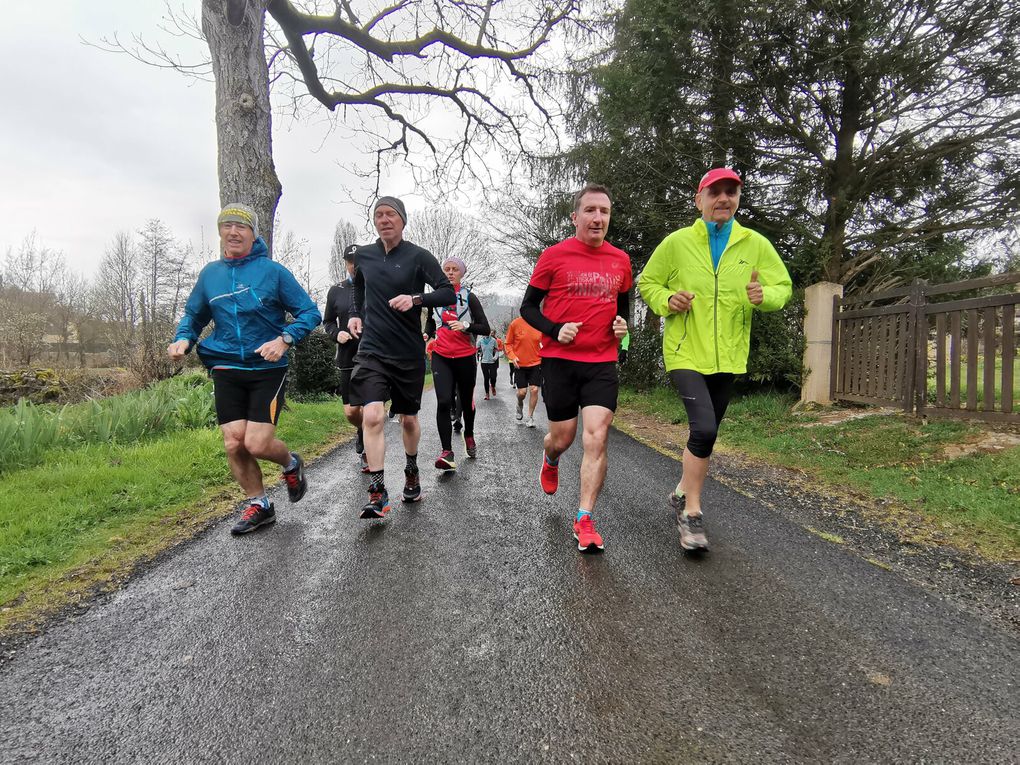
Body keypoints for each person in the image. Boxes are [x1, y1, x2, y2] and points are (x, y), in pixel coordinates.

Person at [637, 167, 792, 551]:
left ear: (738, 198)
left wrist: (765, 297)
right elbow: (647, 282)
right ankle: (690, 513)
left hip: (729, 355)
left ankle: (680, 489)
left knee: (707, 433)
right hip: (685, 351)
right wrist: (667, 300)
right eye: (715, 192)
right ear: (699, 199)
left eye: (731, 192)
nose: (723, 198)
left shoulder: (754, 244)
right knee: (704, 429)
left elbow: (782, 286)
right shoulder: (677, 243)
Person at [168, 203, 321, 535]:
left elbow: (310, 313)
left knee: (257, 443)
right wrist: (183, 339)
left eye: (241, 227)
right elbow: (194, 316)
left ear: (253, 234)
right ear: (220, 232)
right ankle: (259, 504)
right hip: (225, 366)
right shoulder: (211, 274)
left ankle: (290, 463)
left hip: (266, 368)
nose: (233, 232)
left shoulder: (273, 271)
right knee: (234, 443)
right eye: (227, 226)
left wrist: (285, 338)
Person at [521, 183, 631, 553]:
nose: (598, 218)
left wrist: (622, 326)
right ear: (575, 217)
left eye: (604, 211)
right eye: (590, 210)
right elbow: (528, 309)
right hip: (560, 361)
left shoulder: (621, 261)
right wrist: (554, 329)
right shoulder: (553, 256)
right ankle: (550, 456)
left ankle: (584, 518)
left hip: (601, 362)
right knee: (564, 437)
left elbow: (623, 310)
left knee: (596, 436)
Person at [347, 196, 455, 518]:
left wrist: (416, 299)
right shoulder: (364, 255)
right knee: (373, 416)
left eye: (390, 214)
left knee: (408, 418)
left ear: (402, 220)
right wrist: (355, 313)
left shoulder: (419, 256)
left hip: (407, 352)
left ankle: (411, 469)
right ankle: (378, 491)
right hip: (373, 350)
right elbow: (358, 288)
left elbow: (447, 291)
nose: (384, 220)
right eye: (378, 215)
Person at [425, 257, 491, 470]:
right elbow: (430, 324)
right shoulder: (435, 298)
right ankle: (447, 452)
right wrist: (427, 335)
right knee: (444, 401)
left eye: (455, 270)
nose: (450, 273)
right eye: (447, 269)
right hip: (441, 356)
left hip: (465, 356)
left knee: (465, 400)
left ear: (461, 274)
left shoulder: (469, 297)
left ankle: (469, 434)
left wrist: (465, 325)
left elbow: (485, 328)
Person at [323, 244, 368, 472]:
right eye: (350, 262)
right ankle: (361, 430)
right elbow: (328, 322)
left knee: (370, 407)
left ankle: (369, 447)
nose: (354, 266)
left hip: (371, 356)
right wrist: (336, 333)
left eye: (358, 261)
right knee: (351, 412)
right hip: (347, 356)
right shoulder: (335, 290)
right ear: (345, 263)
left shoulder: (374, 288)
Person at [503, 312, 543, 428]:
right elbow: (508, 343)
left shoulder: (539, 324)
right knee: (522, 393)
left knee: (534, 390)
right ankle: (519, 404)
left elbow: (544, 342)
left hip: (536, 362)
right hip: (519, 364)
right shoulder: (515, 324)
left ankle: (530, 417)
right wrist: (512, 356)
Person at [476, 330, 501, 399]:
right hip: (484, 362)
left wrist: (495, 357)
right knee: (486, 378)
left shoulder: (493, 341)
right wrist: (476, 359)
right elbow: (476, 350)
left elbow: (497, 351)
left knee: (493, 377)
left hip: (492, 362)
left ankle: (493, 386)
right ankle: (487, 394)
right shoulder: (480, 341)